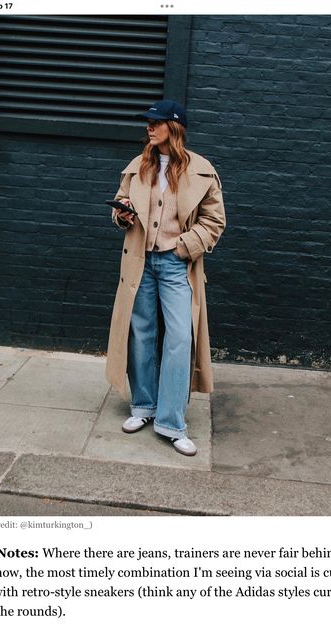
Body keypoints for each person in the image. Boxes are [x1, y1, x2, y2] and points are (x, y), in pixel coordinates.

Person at [106, 99, 226, 456]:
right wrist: (123, 216)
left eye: (156, 122)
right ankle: (143, 407)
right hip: (140, 262)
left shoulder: (201, 170)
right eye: (148, 122)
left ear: (174, 128)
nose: (149, 127)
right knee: (141, 333)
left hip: (176, 264)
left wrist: (184, 246)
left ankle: (172, 422)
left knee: (179, 337)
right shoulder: (137, 166)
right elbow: (121, 200)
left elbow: (214, 222)